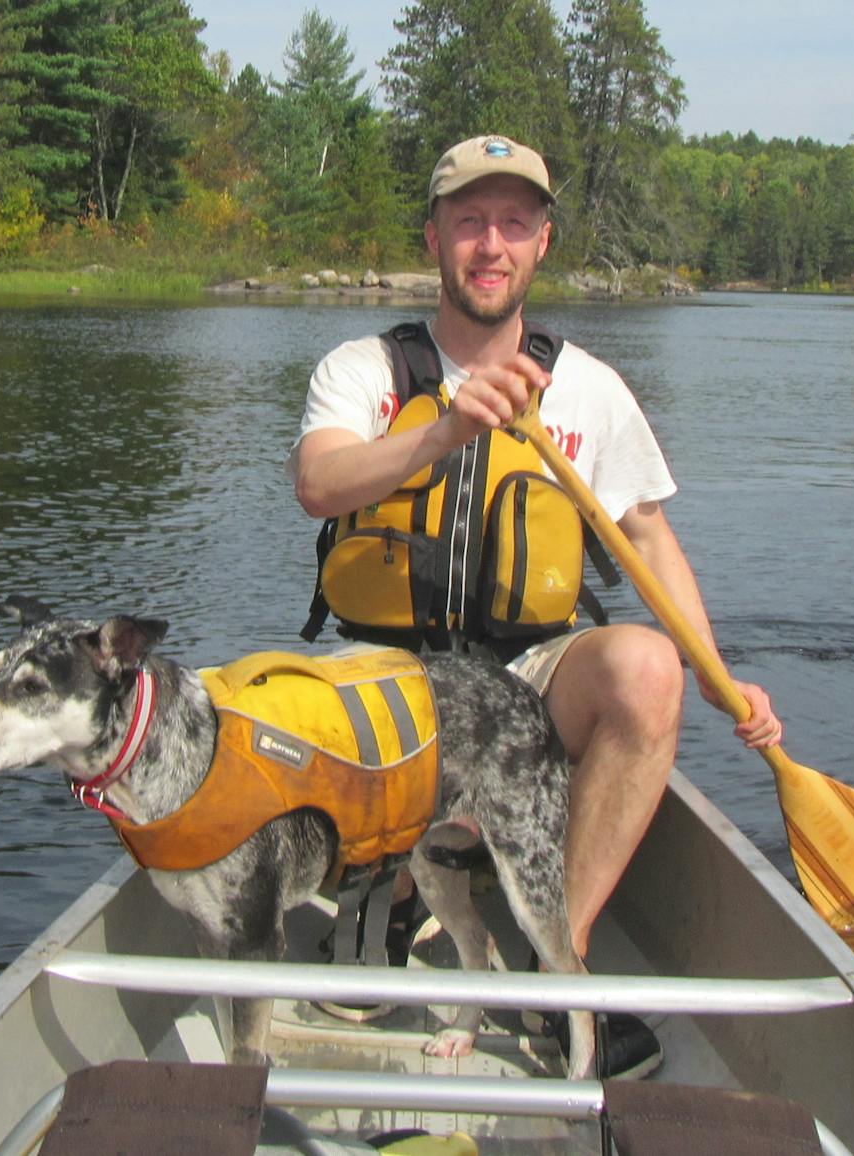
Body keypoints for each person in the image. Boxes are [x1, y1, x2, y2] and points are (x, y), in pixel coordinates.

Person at [288, 134, 783, 1077]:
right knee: (284, 706)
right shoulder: (365, 370)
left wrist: (718, 681)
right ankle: (392, 895)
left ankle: (557, 971)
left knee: (645, 668)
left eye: (514, 222)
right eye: (469, 221)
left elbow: (645, 538)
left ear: (542, 243)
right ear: (433, 237)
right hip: (388, 684)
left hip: (526, 681)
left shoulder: (590, 391)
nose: (491, 244)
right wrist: (445, 427)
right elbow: (320, 484)